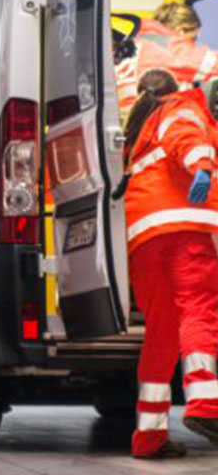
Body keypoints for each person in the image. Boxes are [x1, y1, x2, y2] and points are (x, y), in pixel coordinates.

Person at [119, 69, 218, 459]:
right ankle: (206, 402)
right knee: (199, 310)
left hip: (143, 238)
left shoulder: (140, 134)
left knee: (161, 332)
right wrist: (203, 168)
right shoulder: (182, 107)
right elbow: (187, 139)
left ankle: (149, 435)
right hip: (184, 225)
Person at [116, 2, 218, 123]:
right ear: (181, 31)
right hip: (139, 124)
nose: (193, 45)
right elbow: (213, 64)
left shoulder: (139, 38)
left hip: (122, 120)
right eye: (193, 39)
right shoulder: (167, 46)